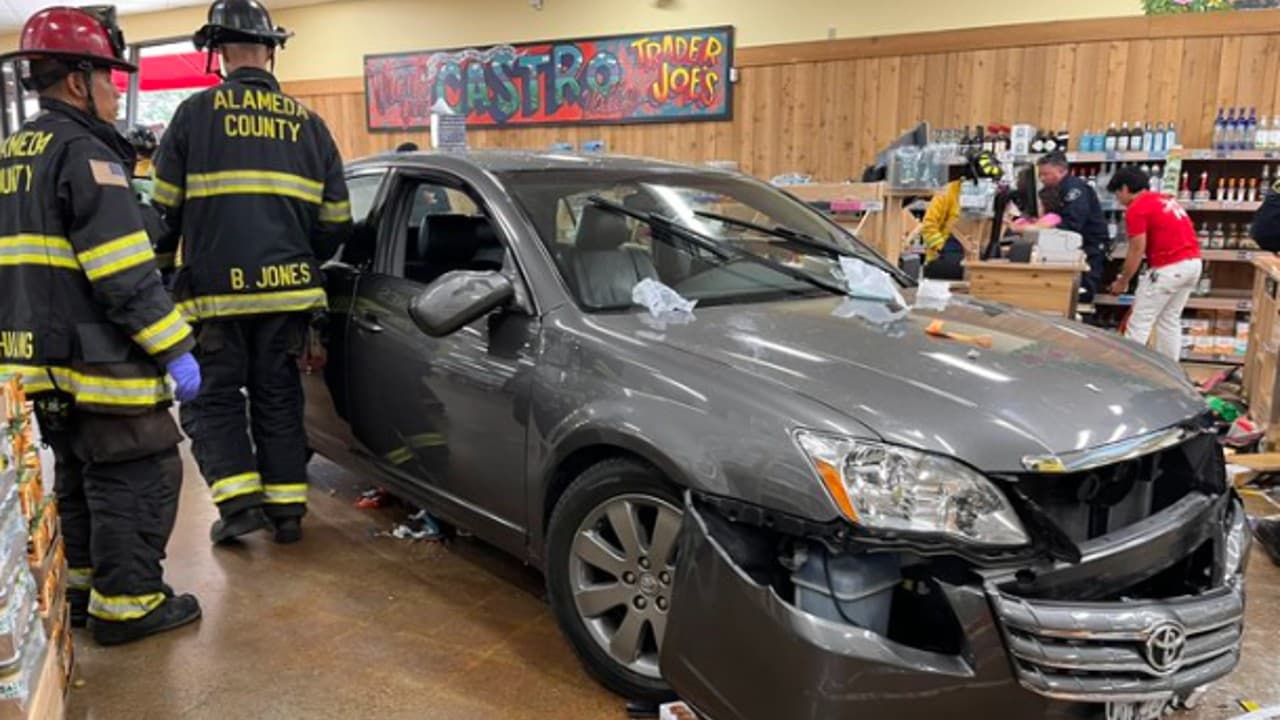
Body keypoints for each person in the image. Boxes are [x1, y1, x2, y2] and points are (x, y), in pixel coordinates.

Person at [0, 5, 203, 646]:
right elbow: (122, 272)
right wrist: (175, 347)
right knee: (140, 471)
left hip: (37, 359)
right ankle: (130, 605)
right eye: (112, 79)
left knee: (84, 475)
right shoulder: (86, 154)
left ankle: (86, 592)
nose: (118, 93)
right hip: (96, 356)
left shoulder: (14, 150)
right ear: (80, 80)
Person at [152, 0, 352, 546]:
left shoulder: (193, 116)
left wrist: (160, 281)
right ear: (271, 51)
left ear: (219, 53)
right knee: (279, 396)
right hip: (288, 298)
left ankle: (239, 506)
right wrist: (295, 255)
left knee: (214, 401)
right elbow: (337, 221)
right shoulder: (311, 126)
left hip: (214, 299)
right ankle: (288, 512)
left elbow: (162, 212)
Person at [1105, 166, 1201, 360]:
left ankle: (1129, 371)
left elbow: (1137, 249)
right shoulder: (1164, 199)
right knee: (1169, 320)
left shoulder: (1137, 207)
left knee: (1140, 321)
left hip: (1168, 267)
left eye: (1117, 194)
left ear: (1124, 188)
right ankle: (1169, 373)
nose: (1118, 200)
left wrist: (1123, 281)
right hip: (1193, 264)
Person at [919, 150, 1003, 280]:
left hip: (978, 251)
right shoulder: (947, 192)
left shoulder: (993, 195)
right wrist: (941, 248)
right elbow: (928, 226)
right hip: (946, 254)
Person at [1037, 152, 1109, 301]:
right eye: (1040, 174)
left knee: (1081, 295)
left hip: (1088, 248)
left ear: (1061, 171)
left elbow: (1073, 223)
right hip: (1072, 247)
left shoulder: (1075, 189)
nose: (1042, 178)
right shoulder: (1052, 190)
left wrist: (1044, 227)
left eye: (1046, 174)